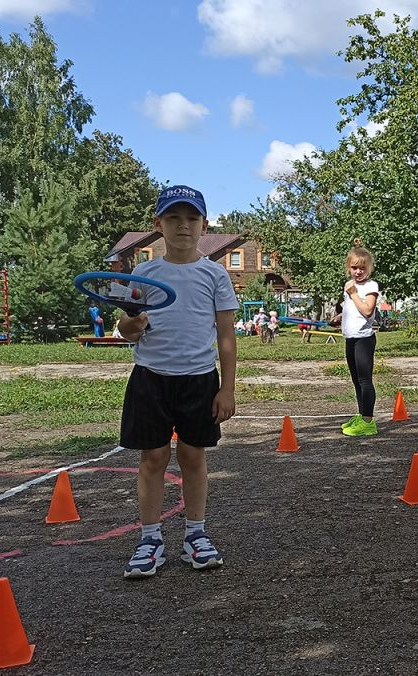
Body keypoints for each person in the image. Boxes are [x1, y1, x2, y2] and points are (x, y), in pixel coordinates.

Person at [116, 185, 238, 578]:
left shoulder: (215, 275)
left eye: (191, 218)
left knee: (193, 456)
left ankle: (195, 535)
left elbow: (226, 337)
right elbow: (126, 328)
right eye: (173, 218)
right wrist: (130, 325)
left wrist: (227, 388)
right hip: (150, 378)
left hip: (199, 380)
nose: (182, 226)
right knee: (152, 458)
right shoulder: (144, 273)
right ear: (158, 224)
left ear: (204, 225)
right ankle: (149, 539)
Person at [334, 240, 380, 437]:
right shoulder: (350, 286)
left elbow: (368, 311)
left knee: (365, 380)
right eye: (354, 268)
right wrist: (339, 317)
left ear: (368, 268)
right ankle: (362, 416)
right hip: (350, 338)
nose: (358, 271)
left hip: (364, 339)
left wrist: (352, 294)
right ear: (348, 268)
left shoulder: (370, 286)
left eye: (362, 268)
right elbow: (352, 310)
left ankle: (368, 421)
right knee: (355, 380)